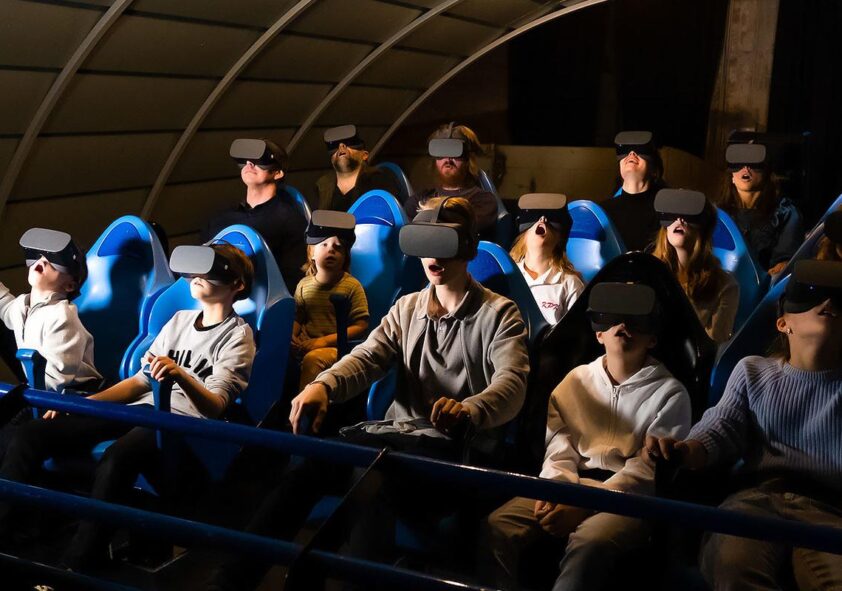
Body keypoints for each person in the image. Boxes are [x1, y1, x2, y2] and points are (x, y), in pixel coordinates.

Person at [205, 197, 529, 590]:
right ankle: (231, 580)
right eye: (424, 241)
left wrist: (469, 410)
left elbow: (511, 384)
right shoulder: (406, 309)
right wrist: (323, 385)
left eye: (444, 242)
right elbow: (368, 357)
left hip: (456, 451)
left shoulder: (501, 314)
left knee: (370, 483)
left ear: (468, 248)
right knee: (307, 469)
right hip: (395, 439)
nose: (433, 255)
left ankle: (329, 579)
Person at [0, 243, 256, 571]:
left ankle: (76, 565)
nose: (197, 276)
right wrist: (81, 406)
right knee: (32, 433)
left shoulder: (238, 336)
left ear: (237, 285)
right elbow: (139, 382)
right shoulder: (179, 321)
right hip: (141, 406)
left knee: (118, 457)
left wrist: (179, 375)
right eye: (196, 269)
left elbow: (216, 406)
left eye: (211, 270)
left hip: (181, 420)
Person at [481, 282, 691, 591]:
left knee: (590, 542)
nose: (623, 326)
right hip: (568, 483)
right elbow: (558, 446)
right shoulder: (575, 381)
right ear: (599, 334)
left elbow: (646, 472)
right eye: (613, 318)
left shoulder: (670, 394)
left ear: (653, 338)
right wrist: (558, 491)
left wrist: (588, 503)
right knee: (500, 525)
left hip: (627, 499)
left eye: (636, 320)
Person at [648, 259, 842, 591]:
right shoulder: (753, 371)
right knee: (735, 568)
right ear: (783, 323)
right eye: (810, 296)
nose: (827, 303)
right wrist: (685, 449)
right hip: (758, 500)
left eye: (838, 300)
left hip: (831, 511)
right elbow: (721, 426)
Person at [0, 228, 100, 393]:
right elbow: (4, 307)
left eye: (55, 260)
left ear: (70, 285)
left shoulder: (62, 316)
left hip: (77, 395)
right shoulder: (21, 305)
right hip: (40, 389)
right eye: (38, 255)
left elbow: (58, 379)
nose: (42, 261)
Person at [202, 138, 307, 293]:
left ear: (278, 173)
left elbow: (294, 276)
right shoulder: (220, 220)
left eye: (260, 160)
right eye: (245, 160)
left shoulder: (291, 220)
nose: (249, 163)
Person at [292, 210, 369, 389]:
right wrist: (292, 336)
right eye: (324, 244)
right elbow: (298, 317)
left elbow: (361, 325)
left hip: (336, 348)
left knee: (313, 360)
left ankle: (306, 404)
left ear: (345, 256)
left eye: (338, 247)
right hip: (305, 344)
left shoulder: (352, 286)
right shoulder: (303, 285)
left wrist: (323, 341)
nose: (331, 250)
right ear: (312, 252)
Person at [652, 189, 740, 343]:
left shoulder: (725, 285)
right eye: (672, 214)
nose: (679, 220)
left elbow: (714, 345)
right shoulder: (647, 272)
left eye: (689, 215)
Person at [719, 143, 803, 276]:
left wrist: (782, 266)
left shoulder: (785, 213)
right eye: (738, 164)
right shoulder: (718, 215)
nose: (746, 168)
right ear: (732, 177)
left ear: (766, 173)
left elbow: (785, 261)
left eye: (754, 163)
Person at [402, 123, 498, 239]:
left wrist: (427, 214)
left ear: (468, 160)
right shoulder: (418, 200)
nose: (448, 160)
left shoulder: (484, 202)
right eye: (441, 153)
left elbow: (461, 229)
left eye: (455, 153)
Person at [509, 193, 584, 324]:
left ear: (560, 239)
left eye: (552, 219)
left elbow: (575, 330)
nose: (542, 220)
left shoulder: (570, 284)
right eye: (533, 217)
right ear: (523, 235)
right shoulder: (508, 276)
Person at [601, 131, 667, 251]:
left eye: (641, 150)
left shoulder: (665, 213)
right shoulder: (603, 212)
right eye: (625, 151)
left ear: (654, 170)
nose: (631, 153)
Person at [314, 125, 402, 211]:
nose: (341, 147)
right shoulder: (322, 186)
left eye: (349, 143)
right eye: (334, 146)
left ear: (364, 155)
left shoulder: (380, 179)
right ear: (331, 160)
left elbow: (392, 212)